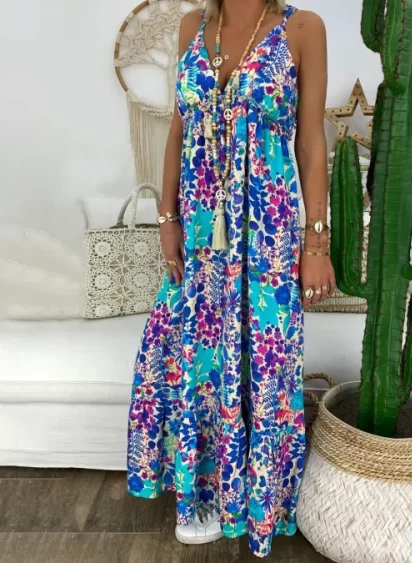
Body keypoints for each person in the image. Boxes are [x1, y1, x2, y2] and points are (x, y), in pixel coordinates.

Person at [127, 0, 335, 558]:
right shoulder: (193, 26)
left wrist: (316, 242)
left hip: (266, 226)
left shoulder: (302, 29)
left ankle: (260, 500)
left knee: (263, 358)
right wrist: (166, 218)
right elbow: (178, 128)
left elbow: (311, 142)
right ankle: (203, 494)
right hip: (200, 228)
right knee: (197, 355)